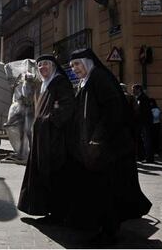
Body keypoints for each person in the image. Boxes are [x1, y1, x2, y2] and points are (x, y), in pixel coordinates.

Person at [67, 49, 152, 246]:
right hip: (94, 150)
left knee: (107, 192)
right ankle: (99, 227)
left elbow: (112, 112)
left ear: (87, 63)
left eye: (77, 64)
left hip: (108, 150)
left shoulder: (100, 78)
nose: (74, 69)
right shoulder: (86, 81)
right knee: (98, 192)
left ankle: (109, 233)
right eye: (72, 66)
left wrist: (97, 139)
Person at [17, 54, 75, 223]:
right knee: (43, 173)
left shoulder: (60, 83)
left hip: (55, 140)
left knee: (54, 175)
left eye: (46, 65)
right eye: (40, 66)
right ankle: (47, 210)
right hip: (44, 138)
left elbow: (66, 107)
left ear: (54, 67)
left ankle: (56, 214)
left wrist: (47, 121)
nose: (42, 69)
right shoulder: (45, 85)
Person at [132, 84, 154, 162]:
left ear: (139, 89)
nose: (133, 91)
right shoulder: (139, 98)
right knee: (143, 140)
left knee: (147, 140)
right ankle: (143, 156)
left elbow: (144, 112)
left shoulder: (143, 98)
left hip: (145, 122)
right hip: (142, 122)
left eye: (134, 89)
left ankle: (149, 158)